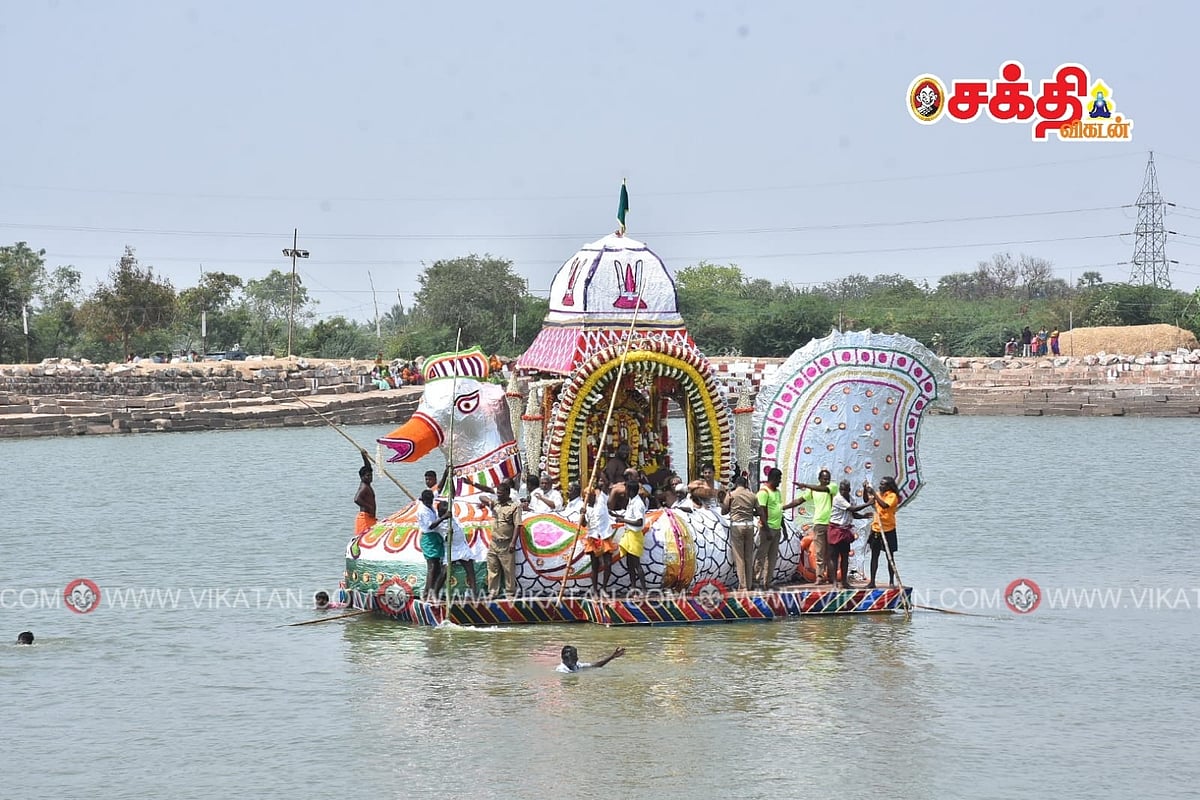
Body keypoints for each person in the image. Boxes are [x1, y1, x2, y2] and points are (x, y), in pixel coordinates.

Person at [755, 468, 805, 589]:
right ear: (774, 478)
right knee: (761, 556)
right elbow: (761, 511)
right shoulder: (763, 492)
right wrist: (767, 530)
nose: (780, 482)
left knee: (772, 557)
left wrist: (784, 528)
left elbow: (779, 510)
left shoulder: (777, 492)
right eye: (779, 479)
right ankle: (755, 581)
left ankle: (767, 582)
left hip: (776, 529)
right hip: (766, 529)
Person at [827, 480, 874, 588]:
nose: (843, 491)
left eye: (845, 490)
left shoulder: (851, 499)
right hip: (835, 528)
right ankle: (834, 582)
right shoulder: (838, 499)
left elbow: (853, 513)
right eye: (841, 489)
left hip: (845, 530)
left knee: (845, 556)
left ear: (849, 490)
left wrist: (863, 516)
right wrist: (867, 504)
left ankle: (844, 582)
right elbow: (851, 508)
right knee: (833, 557)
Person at [480, 481, 522, 599]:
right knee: (493, 568)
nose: (498, 496)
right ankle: (493, 592)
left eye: (501, 494)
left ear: (507, 493)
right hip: (494, 542)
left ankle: (510, 592)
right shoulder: (495, 503)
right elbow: (481, 497)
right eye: (497, 493)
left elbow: (517, 525)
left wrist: (513, 542)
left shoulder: (514, 506)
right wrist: (489, 502)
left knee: (508, 569)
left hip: (506, 543)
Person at [795, 469, 836, 585]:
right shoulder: (813, 491)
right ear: (819, 479)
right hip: (819, 524)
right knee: (819, 552)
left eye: (828, 479)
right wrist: (785, 507)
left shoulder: (832, 487)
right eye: (824, 479)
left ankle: (832, 578)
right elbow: (800, 500)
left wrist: (806, 485)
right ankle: (820, 576)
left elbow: (823, 489)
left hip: (831, 524)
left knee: (831, 553)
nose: (826, 481)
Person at [722, 474, 760, 591]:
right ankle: (749, 584)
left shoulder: (731, 495)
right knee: (748, 556)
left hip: (737, 527)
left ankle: (743, 586)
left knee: (739, 557)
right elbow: (758, 511)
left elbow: (723, 511)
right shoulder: (752, 496)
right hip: (749, 526)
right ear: (746, 484)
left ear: (735, 485)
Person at [438, 500, 484, 598]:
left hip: (461, 548)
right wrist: (448, 535)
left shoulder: (453, 518)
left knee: (470, 569)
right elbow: (444, 538)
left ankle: (474, 593)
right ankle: (434, 593)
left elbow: (452, 496)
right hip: (451, 549)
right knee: (444, 572)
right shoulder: (440, 524)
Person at [863, 476, 901, 588]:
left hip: (888, 529)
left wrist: (874, 493)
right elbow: (867, 500)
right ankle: (872, 582)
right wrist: (865, 490)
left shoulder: (892, 496)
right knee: (874, 556)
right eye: (880, 484)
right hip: (876, 529)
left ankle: (891, 581)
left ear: (888, 486)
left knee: (890, 556)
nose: (880, 486)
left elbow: (884, 505)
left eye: (883, 484)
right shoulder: (879, 494)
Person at [614, 479, 648, 594]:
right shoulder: (631, 501)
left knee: (636, 563)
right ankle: (633, 587)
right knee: (629, 563)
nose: (625, 492)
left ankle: (643, 589)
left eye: (626, 489)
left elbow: (639, 522)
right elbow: (630, 517)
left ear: (631, 490)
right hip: (629, 534)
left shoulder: (638, 503)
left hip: (634, 535)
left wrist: (623, 520)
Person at [583, 483, 617, 595]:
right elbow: (583, 524)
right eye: (586, 497)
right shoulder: (585, 508)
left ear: (593, 495)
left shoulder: (601, 500)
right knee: (595, 565)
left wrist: (600, 480)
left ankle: (604, 588)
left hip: (604, 536)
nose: (588, 499)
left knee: (607, 564)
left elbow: (604, 484)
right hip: (593, 537)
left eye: (590, 496)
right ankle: (595, 590)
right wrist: (582, 515)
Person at [417, 490, 447, 599]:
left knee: (437, 565)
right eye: (428, 501)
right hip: (429, 538)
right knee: (432, 567)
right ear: (424, 500)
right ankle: (426, 594)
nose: (430, 503)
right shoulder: (422, 511)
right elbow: (431, 526)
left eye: (431, 501)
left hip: (435, 537)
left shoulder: (429, 506)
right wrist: (443, 518)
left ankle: (434, 591)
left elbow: (438, 489)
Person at [557, 645, 626, 673]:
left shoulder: (576, 665)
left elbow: (595, 665)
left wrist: (612, 657)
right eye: (574, 657)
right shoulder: (561, 670)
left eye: (576, 656)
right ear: (564, 658)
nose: (577, 658)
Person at [354, 451, 377, 535]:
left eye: (371, 475)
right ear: (362, 477)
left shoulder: (367, 484)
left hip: (370, 518)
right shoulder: (364, 487)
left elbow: (369, 467)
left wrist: (364, 457)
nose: (370, 477)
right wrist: (369, 507)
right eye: (367, 476)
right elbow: (357, 499)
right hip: (364, 519)